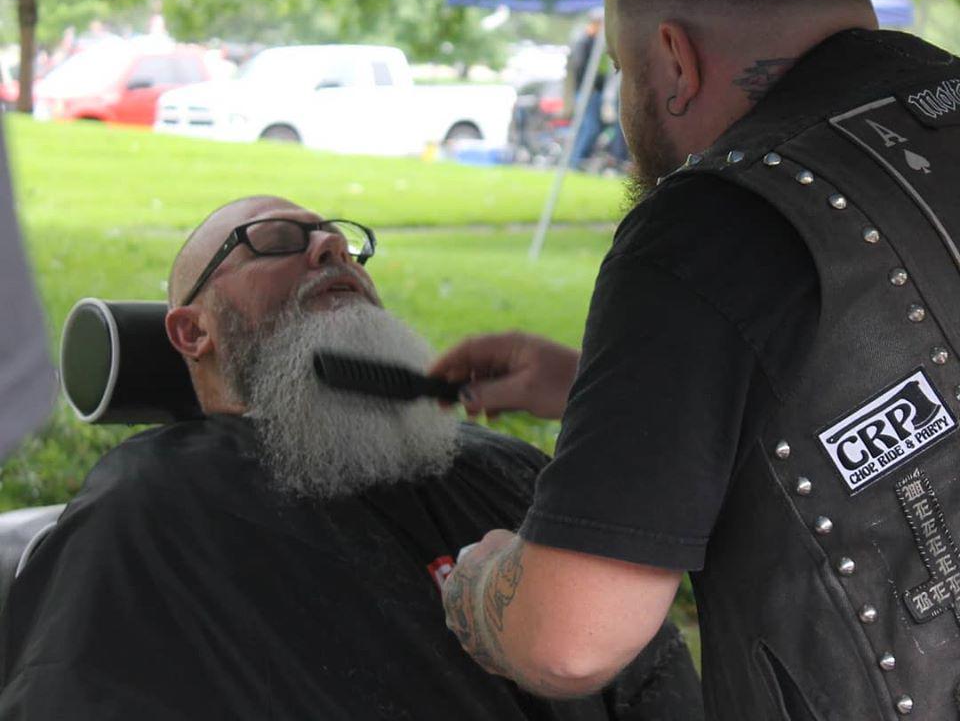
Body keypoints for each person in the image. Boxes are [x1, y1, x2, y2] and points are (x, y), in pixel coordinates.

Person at [436, 0, 960, 719]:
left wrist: (486, 588)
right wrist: (586, 388)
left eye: (624, 65)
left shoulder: (707, 222)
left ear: (672, 58)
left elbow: (571, 638)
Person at [0, 195, 701, 720]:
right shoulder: (152, 503)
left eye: (341, 244)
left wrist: (594, 392)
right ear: (190, 330)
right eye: (273, 241)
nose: (331, 247)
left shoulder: (501, 468)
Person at [565, 13, 607, 169]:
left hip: (588, 91)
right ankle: (577, 159)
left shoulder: (590, 42)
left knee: (586, 126)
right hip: (587, 91)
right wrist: (592, 87)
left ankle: (576, 158)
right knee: (590, 127)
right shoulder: (585, 42)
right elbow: (581, 68)